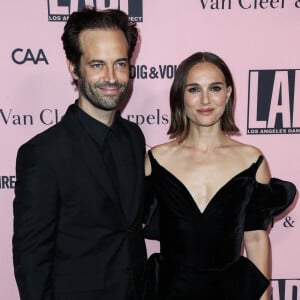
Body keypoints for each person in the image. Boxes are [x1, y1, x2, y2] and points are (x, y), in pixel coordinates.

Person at [13, 7, 147, 300]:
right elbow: (31, 262)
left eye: (120, 63)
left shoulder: (134, 138)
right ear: (74, 67)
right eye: (97, 64)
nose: (111, 77)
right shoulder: (43, 154)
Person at [144, 52, 296, 300]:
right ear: (181, 96)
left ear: (228, 93)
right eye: (194, 89)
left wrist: (263, 295)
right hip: (170, 292)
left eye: (214, 88)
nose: (205, 99)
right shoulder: (157, 160)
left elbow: (256, 239)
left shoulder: (251, 160)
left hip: (231, 292)